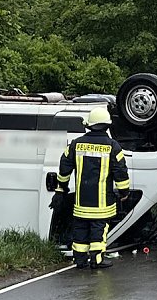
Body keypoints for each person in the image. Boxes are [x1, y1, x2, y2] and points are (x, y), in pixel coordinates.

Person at [51, 107, 130, 269]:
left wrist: (61, 189)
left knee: (80, 230)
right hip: (102, 204)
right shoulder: (113, 146)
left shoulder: (75, 144)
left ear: (89, 125)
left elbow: (64, 168)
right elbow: (120, 172)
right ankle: (97, 259)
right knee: (98, 231)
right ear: (107, 126)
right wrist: (124, 192)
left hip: (81, 203)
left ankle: (79, 260)